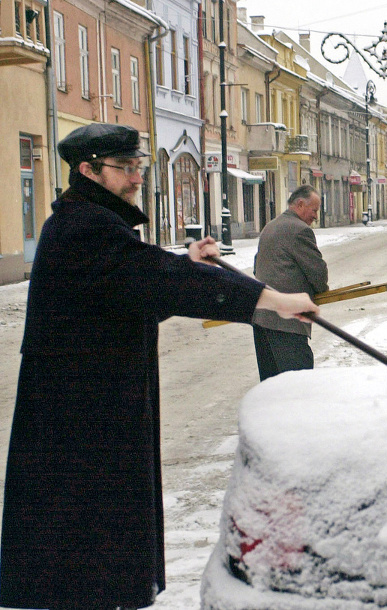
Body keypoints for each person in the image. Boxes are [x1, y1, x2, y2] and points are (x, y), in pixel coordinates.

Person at [0, 123, 319, 610]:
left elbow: (137, 283)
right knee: (85, 536)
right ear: (88, 170)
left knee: (84, 535)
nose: (135, 178)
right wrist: (270, 298)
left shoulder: (87, 220)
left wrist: (187, 261)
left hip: (87, 402)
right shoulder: (84, 227)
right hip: (82, 410)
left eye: (138, 167)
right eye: (125, 168)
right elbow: (155, 279)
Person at [252, 184, 329, 380]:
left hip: (262, 321)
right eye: (314, 210)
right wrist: (321, 291)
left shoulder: (270, 226)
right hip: (286, 322)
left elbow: (256, 267)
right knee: (297, 384)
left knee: (271, 384)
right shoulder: (300, 230)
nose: (315, 217)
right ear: (300, 204)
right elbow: (317, 272)